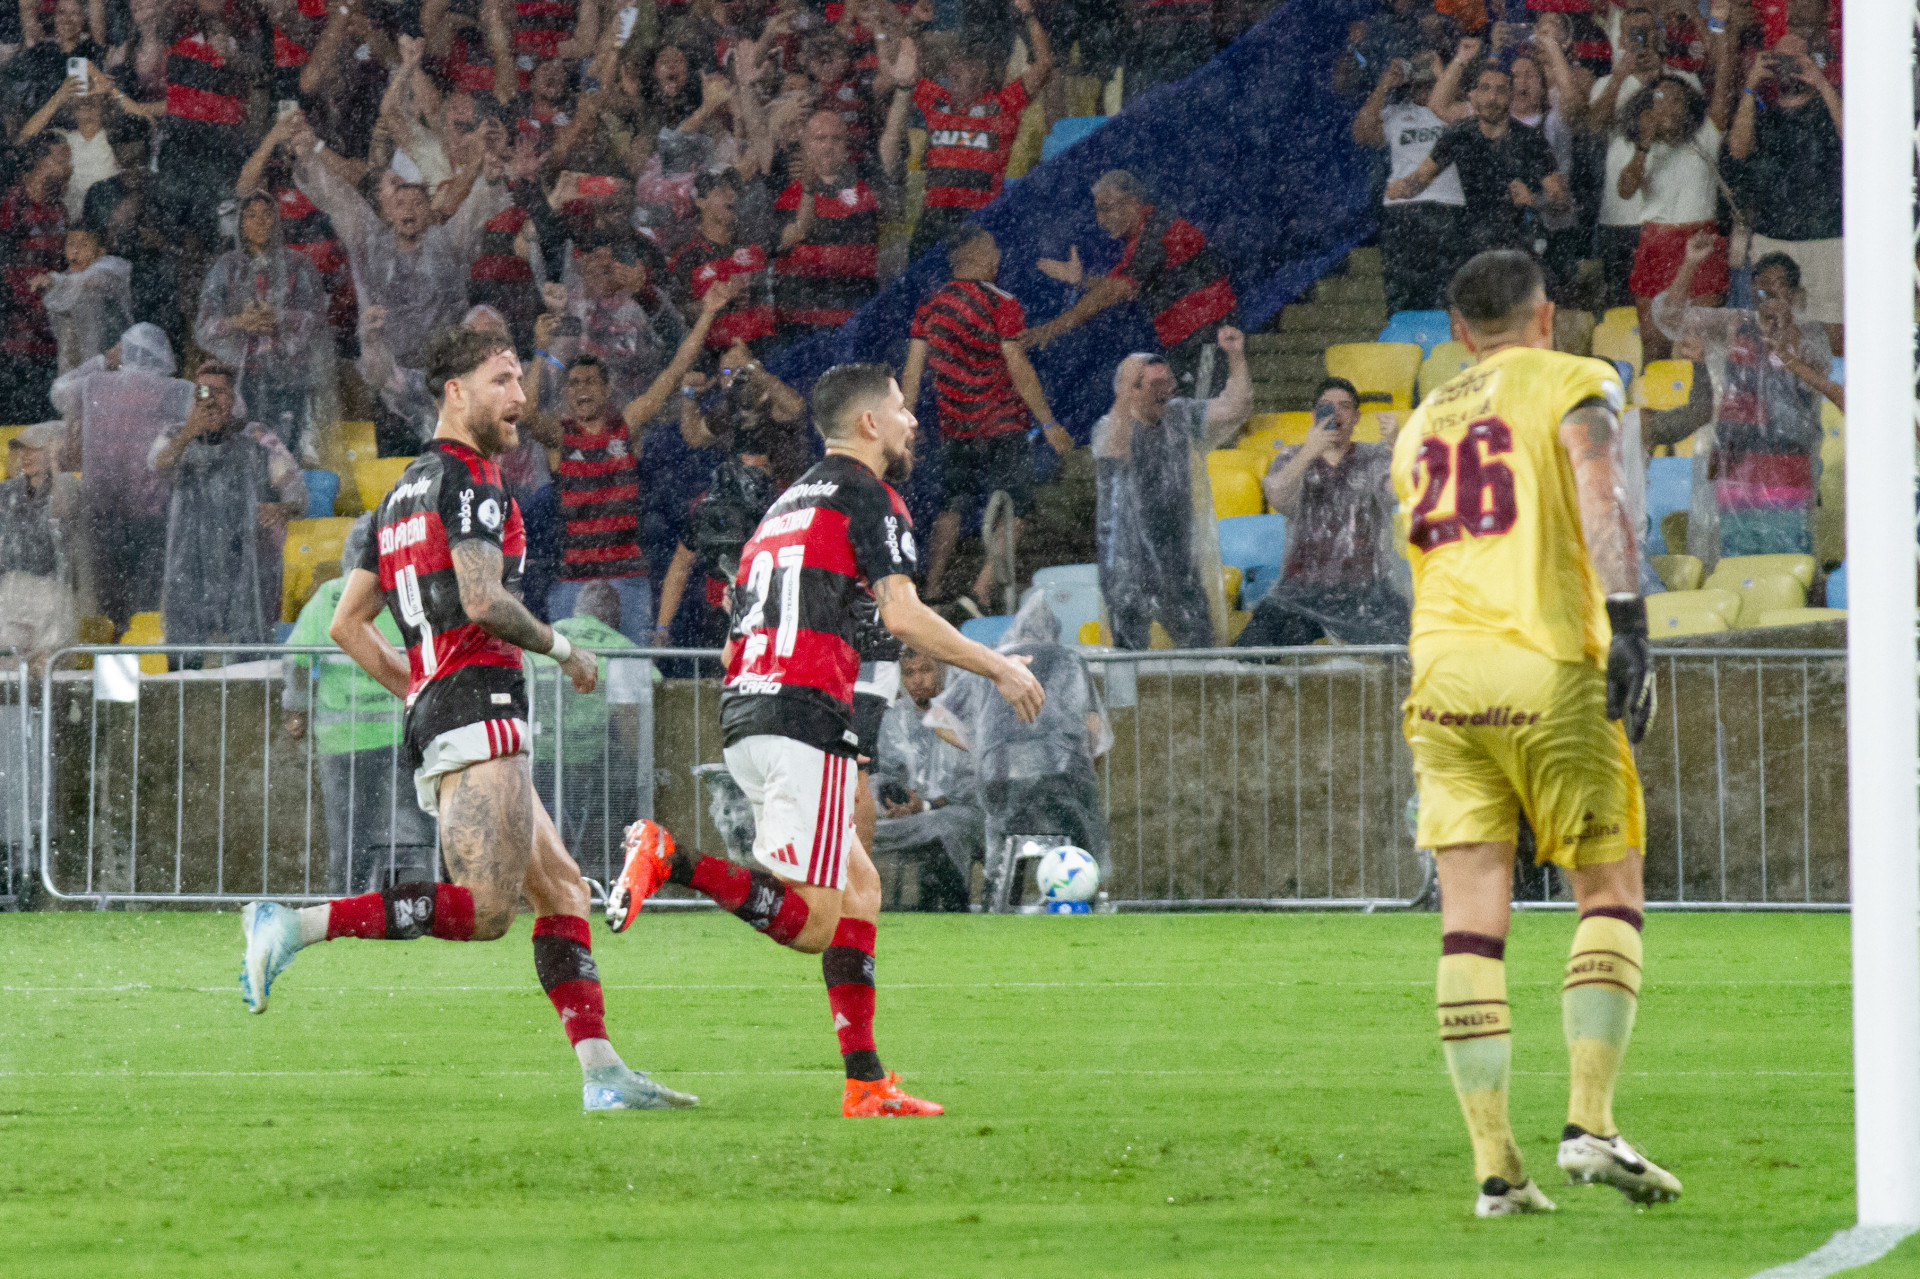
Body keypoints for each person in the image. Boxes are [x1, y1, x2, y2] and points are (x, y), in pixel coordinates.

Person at [238, 324, 693, 1115]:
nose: (521, 398)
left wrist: (416, 691)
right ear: (456, 391)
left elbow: (349, 624)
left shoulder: (400, 493)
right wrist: (564, 650)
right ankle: (294, 924)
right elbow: (483, 600)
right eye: (503, 380)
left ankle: (603, 1072)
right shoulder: (473, 479)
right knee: (485, 912)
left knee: (561, 893)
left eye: (520, 382)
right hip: (479, 704)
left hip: (449, 705)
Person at [606, 361, 1047, 1118]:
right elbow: (903, 616)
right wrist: (996, 663)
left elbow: (808, 625)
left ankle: (866, 1080)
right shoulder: (870, 495)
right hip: (800, 716)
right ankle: (668, 855)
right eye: (903, 409)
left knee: (860, 891)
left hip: (753, 708)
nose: (913, 422)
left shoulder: (787, 504)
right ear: (869, 424)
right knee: (813, 922)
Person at [1392, 248, 1678, 1216]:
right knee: (1608, 883)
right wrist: (1629, 618)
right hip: (1545, 658)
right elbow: (1599, 485)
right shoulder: (1570, 378)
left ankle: (1496, 1171)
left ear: (1458, 330)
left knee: (1469, 913)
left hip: (1440, 676)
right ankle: (1591, 1124)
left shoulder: (1421, 423)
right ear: (1544, 317)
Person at [522, 279, 741, 643]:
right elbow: (526, 413)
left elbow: (673, 372)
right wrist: (541, 352)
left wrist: (707, 314)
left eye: (590, 382)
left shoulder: (627, 427)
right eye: (574, 384)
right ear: (565, 393)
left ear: (606, 390)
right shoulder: (560, 438)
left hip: (628, 577)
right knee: (574, 680)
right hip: (573, 578)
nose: (582, 390)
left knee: (631, 682)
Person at [901, 224, 1070, 608]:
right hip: (1002, 424)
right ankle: (978, 592)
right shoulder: (1001, 302)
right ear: (977, 257)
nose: (998, 258)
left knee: (952, 503)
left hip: (956, 428)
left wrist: (907, 423)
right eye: (993, 250)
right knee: (1018, 507)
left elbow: (913, 371)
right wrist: (1048, 423)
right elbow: (1017, 363)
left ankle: (931, 592)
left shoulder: (931, 308)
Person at [1651, 232, 1837, 562]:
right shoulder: (1732, 324)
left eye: (1777, 283)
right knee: (1741, 566)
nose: (1767, 289)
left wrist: (1785, 329)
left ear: (1793, 294)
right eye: (1760, 282)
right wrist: (1690, 263)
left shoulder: (1810, 335)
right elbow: (1670, 318)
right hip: (1737, 465)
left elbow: (1816, 373)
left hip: (1787, 466)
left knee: (1790, 566)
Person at [282, 515, 440, 895]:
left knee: (350, 838)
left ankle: (349, 905)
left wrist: (296, 711)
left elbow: (297, 662)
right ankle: (419, 905)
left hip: (343, 745)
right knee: (414, 833)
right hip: (404, 739)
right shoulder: (412, 595)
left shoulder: (330, 598)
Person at [926, 594, 1110, 907]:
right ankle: (1087, 897)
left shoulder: (993, 661)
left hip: (999, 776)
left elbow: (938, 718)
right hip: (1061, 775)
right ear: (1054, 633)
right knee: (1079, 827)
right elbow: (1094, 727)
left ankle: (998, 897)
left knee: (1002, 840)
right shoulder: (1069, 659)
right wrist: (1086, 766)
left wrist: (980, 747)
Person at [1094, 327, 1250, 651]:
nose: (1166, 390)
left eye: (1168, 382)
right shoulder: (1111, 425)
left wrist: (1235, 356)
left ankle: (1200, 700)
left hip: (1178, 557)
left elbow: (1236, 408)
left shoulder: (1180, 416)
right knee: (1126, 657)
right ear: (1131, 391)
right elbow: (1114, 452)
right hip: (1127, 561)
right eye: (1155, 384)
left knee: (1200, 647)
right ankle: (1125, 703)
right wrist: (1123, 392)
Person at [1025, 169, 1240, 397]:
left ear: (1132, 203)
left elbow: (1113, 291)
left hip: (1207, 344)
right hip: (1193, 345)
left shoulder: (1157, 233)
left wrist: (1052, 328)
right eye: (1098, 211)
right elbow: (1118, 286)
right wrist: (1082, 281)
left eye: (1106, 208)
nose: (1100, 219)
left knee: (1202, 417)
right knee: (1191, 417)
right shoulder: (1146, 237)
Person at [1238, 377, 1410, 649]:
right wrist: (1309, 451)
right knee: (1246, 656)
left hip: (1366, 590)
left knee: (1409, 657)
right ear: (1313, 416)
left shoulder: (1375, 456)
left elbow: (1403, 491)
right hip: (1301, 592)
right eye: (1327, 407)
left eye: (1344, 407)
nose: (1336, 413)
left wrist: (1400, 445)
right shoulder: (1291, 457)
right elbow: (1277, 495)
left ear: (1356, 418)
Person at [149, 362, 308, 653]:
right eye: (202, 391)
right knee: (185, 654)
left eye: (219, 392)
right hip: (188, 564)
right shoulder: (174, 435)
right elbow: (156, 466)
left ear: (234, 398)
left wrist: (282, 509)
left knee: (248, 650)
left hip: (245, 563)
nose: (210, 399)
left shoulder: (256, 436)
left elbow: (298, 494)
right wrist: (188, 433)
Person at [48, 321, 191, 628]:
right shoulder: (174, 391)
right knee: (148, 597)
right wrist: (204, 385)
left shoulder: (94, 384)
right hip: (151, 509)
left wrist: (101, 360)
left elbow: (57, 392)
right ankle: (142, 651)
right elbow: (233, 408)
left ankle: (112, 650)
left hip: (102, 507)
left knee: (108, 596)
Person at [1724, 26, 1844, 352]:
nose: (1788, 66)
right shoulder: (1763, 111)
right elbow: (1737, 148)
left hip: (1826, 237)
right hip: (1772, 238)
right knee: (1771, 330)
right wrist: (1751, 86)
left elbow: (1855, 138)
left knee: (1832, 330)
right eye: (1781, 59)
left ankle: (1829, 397)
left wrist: (1820, 81)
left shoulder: (1830, 103)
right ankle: (1778, 395)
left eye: (1796, 59)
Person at [906, 0, 1052, 259]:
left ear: (982, 75)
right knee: (918, 292)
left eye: (965, 68)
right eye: (954, 69)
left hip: (978, 218)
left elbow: (1043, 64)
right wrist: (914, 23)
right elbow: (906, 71)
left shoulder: (1001, 107)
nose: (955, 73)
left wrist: (1029, 15)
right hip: (933, 219)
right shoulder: (938, 103)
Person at [1387, 61, 1569, 263]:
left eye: (1501, 90)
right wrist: (1401, 188)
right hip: (1470, 243)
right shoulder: (1458, 134)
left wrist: (1535, 201)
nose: (1492, 98)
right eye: (1486, 89)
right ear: (1474, 96)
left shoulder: (1531, 140)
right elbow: (1421, 178)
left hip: (1520, 245)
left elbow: (1560, 201)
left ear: (1510, 96)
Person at [194, 190, 332, 458]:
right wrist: (239, 322)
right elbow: (204, 325)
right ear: (241, 224)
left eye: (267, 214)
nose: (259, 222)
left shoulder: (298, 264)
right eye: (251, 215)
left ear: (277, 221)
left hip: (290, 377)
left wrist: (280, 318)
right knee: (244, 450)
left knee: (286, 453)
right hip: (239, 378)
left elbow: (317, 320)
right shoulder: (227, 267)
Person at [1353, 51, 1466, 316]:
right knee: (1402, 294)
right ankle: (1404, 343)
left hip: (1446, 205)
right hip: (1402, 210)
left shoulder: (1453, 111)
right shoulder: (1395, 113)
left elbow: (1470, 118)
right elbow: (1362, 133)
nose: (1423, 85)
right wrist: (1384, 83)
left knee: (1447, 293)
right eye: (1418, 78)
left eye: (1428, 80)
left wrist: (1441, 74)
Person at [870, 647, 981, 911]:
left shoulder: (963, 715)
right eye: (909, 673)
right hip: (909, 816)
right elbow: (882, 772)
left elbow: (969, 786)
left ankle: (955, 911)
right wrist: (888, 803)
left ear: (942, 671)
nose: (917, 681)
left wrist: (927, 805)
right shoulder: (894, 718)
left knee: (944, 827)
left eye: (926, 670)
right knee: (858, 828)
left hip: (962, 814)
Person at [0, 133, 72, 422]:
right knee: (15, 412)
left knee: (44, 411)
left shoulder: (59, 207)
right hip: (15, 330)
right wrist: (25, 300)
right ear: (41, 163)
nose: (69, 166)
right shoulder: (12, 202)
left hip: (50, 328)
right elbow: (5, 262)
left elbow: (63, 264)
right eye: (62, 158)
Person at [0, 422, 83, 670]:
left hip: (53, 589)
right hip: (13, 586)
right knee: (9, 666)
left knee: (49, 666)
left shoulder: (66, 484)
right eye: (22, 449)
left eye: (34, 449)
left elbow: (63, 511)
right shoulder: (7, 492)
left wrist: (57, 465)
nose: (25, 455)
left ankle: (50, 708)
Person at [40, 221, 131, 373]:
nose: (75, 251)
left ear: (100, 252)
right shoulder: (65, 279)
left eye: (84, 245)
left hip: (107, 366)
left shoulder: (109, 270)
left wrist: (55, 280)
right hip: (71, 368)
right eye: (70, 244)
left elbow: (93, 281)